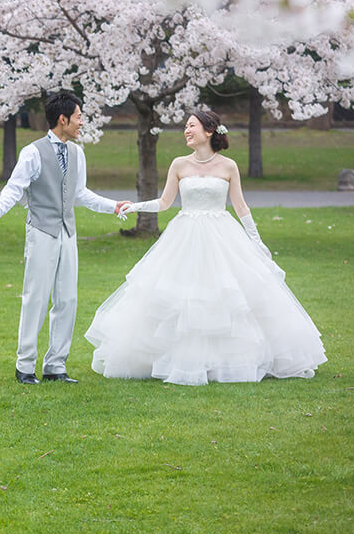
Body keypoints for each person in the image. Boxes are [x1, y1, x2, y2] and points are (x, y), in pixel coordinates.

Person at [85, 109, 326, 385]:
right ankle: (175, 359)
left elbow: (241, 207)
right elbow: (164, 203)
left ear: (209, 131)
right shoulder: (179, 164)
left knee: (228, 296)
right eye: (185, 127)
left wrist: (257, 242)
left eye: (192, 126)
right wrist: (135, 205)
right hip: (184, 234)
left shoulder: (228, 166)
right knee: (177, 296)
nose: (186, 131)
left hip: (221, 235)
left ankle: (228, 362)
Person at [0, 91, 128, 385]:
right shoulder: (33, 153)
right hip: (41, 232)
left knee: (68, 299)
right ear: (63, 120)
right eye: (78, 117)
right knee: (35, 298)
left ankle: (55, 366)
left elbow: (80, 194)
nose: (81, 122)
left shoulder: (77, 153)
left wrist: (112, 206)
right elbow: (14, 188)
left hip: (67, 233)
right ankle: (24, 366)